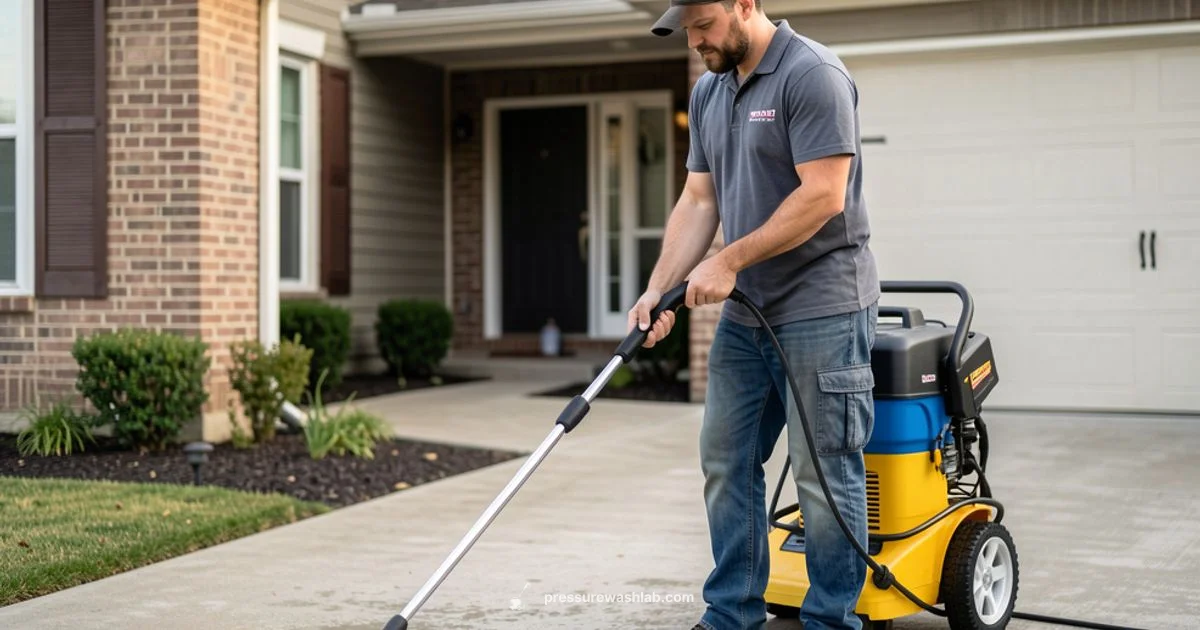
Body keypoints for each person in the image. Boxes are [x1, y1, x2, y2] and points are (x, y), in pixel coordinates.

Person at [632, 1, 880, 629]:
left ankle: (831, 620)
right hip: (749, 316)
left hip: (823, 308)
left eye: (703, 25)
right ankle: (732, 614)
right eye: (686, 30)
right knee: (725, 460)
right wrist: (659, 289)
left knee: (822, 474)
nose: (694, 41)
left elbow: (823, 194)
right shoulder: (710, 91)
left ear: (745, 4)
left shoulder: (812, 74)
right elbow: (699, 199)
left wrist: (728, 261)